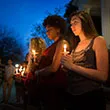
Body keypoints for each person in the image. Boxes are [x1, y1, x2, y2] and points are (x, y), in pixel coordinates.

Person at [61, 11, 109, 110]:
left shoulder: (98, 40)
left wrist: (72, 67)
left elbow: (103, 76)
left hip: (90, 97)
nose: (72, 26)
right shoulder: (76, 46)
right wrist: (66, 68)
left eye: (75, 22)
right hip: (72, 96)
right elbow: (73, 71)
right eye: (71, 24)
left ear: (85, 22)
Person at [34, 15, 69, 110]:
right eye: (46, 30)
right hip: (47, 86)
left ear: (58, 29)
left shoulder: (61, 43)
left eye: (49, 29)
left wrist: (37, 73)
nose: (46, 32)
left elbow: (54, 67)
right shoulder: (53, 45)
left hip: (54, 87)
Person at [24, 37, 46, 108]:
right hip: (33, 91)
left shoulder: (43, 59)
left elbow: (33, 78)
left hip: (37, 91)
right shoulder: (33, 60)